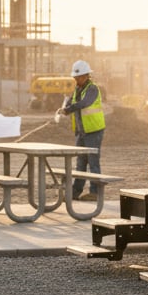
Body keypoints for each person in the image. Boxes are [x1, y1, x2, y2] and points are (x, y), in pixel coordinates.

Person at [61, 60, 106, 201]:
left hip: (93, 130)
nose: (76, 79)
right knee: (80, 163)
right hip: (81, 132)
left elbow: (85, 103)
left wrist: (70, 109)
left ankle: (95, 192)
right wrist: (65, 108)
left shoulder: (92, 89)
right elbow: (71, 102)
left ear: (86, 76)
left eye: (78, 77)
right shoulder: (78, 89)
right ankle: (75, 192)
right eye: (75, 77)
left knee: (93, 162)